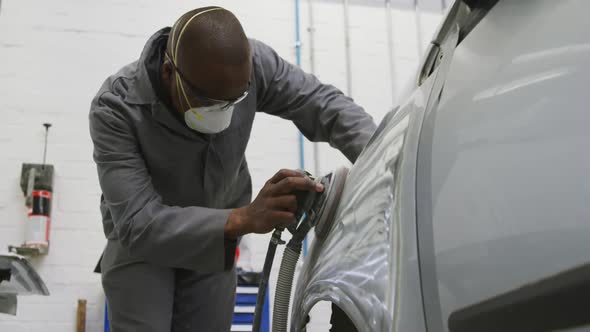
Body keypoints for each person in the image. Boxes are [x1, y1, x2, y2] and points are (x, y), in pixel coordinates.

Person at [89, 6, 376, 332]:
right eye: (209, 102)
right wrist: (243, 218)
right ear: (170, 73)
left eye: (234, 101)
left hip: (212, 247)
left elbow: (323, 104)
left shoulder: (255, 67)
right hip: (143, 248)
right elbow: (137, 222)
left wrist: (381, 159)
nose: (223, 114)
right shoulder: (116, 106)